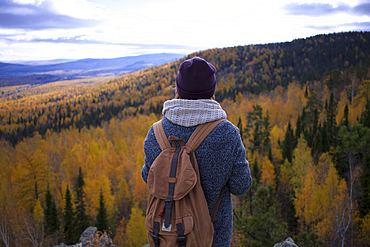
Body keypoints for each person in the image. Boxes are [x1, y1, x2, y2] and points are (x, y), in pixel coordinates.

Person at [141, 56, 252, 246]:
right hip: (212, 238)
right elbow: (241, 185)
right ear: (212, 90)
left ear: (178, 88)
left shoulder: (156, 132)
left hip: (167, 236)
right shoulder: (228, 133)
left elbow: (147, 177)